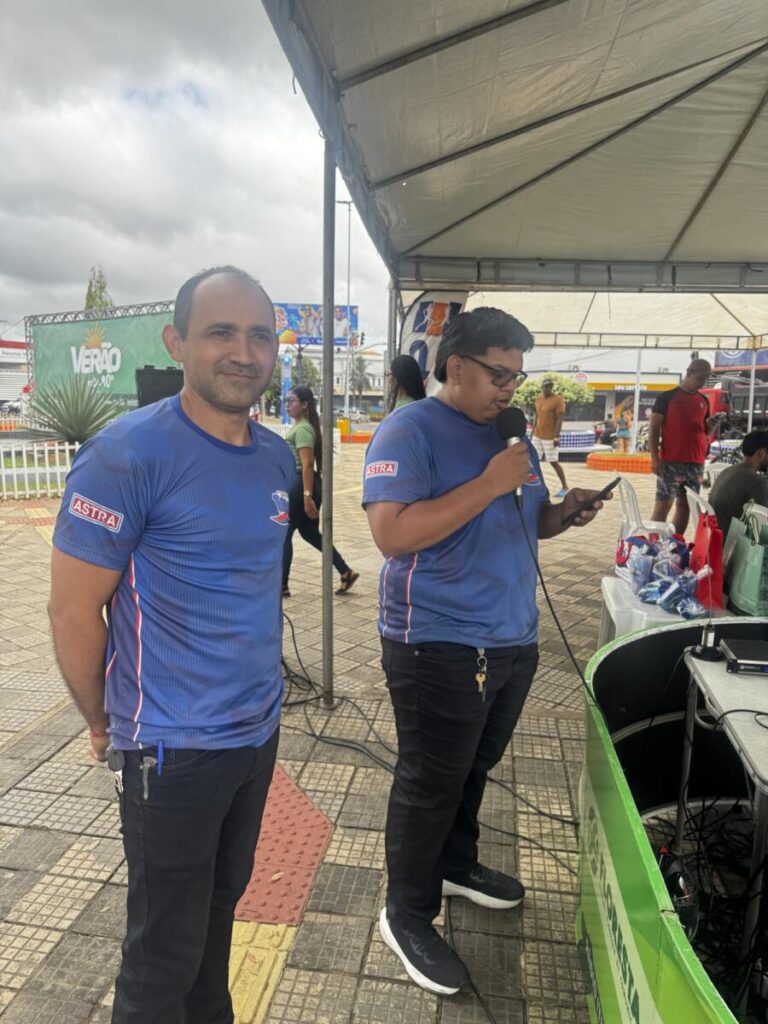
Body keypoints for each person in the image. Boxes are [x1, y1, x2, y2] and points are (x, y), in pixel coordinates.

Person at [48, 266, 295, 1024]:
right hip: (170, 748)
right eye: (221, 332)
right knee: (163, 952)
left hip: (255, 736)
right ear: (176, 342)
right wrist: (103, 722)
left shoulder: (277, 456)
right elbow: (72, 611)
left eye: (260, 335)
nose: (243, 352)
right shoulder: (126, 455)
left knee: (219, 912)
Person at [362, 306, 609, 996]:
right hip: (437, 642)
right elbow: (392, 534)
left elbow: (527, 521)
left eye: (517, 377)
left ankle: (455, 863)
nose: (509, 389)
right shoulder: (409, 430)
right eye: (499, 374)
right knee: (430, 780)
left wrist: (565, 513)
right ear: (456, 366)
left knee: (474, 765)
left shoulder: (512, 437)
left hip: (512, 638)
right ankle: (406, 913)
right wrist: (489, 482)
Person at [282, 385, 358, 597]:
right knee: (311, 534)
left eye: (292, 401)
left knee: (284, 533)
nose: (287, 405)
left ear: (305, 405)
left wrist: (307, 497)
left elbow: (307, 464)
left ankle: (281, 585)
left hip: (302, 485)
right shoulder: (302, 427)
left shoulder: (303, 429)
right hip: (305, 485)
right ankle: (346, 571)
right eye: (286, 401)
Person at [649, 359, 724, 535]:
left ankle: (676, 543)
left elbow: (704, 430)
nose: (702, 383)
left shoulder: (704, 400)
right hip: (671, 461)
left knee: (686, 506)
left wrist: (712, 425)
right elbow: (654, 429)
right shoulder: (666, 398)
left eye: (706, 379)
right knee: (663, 506)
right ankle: (654, 545)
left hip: (696, 463)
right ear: (689, 373)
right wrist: (655, 458)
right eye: (700, 378)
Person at [709, 430, 768, 535]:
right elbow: (763, 525)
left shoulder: (727, 471)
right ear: (762, 453)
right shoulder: (757, 482)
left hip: (715, 536)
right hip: (734, 541)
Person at [531, 377, 568, 497]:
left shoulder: (558, 400)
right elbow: (537, 416)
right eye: (546, 386)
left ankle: (565, 487)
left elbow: (560, 419)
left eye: (550, 386)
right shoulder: (538, 398)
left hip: (550, 437)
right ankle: (535, 486)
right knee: (533, 460)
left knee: (553, 462)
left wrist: (557, 437)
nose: (548, 388)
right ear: (542, 387)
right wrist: (532, 431)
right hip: (537, 435)